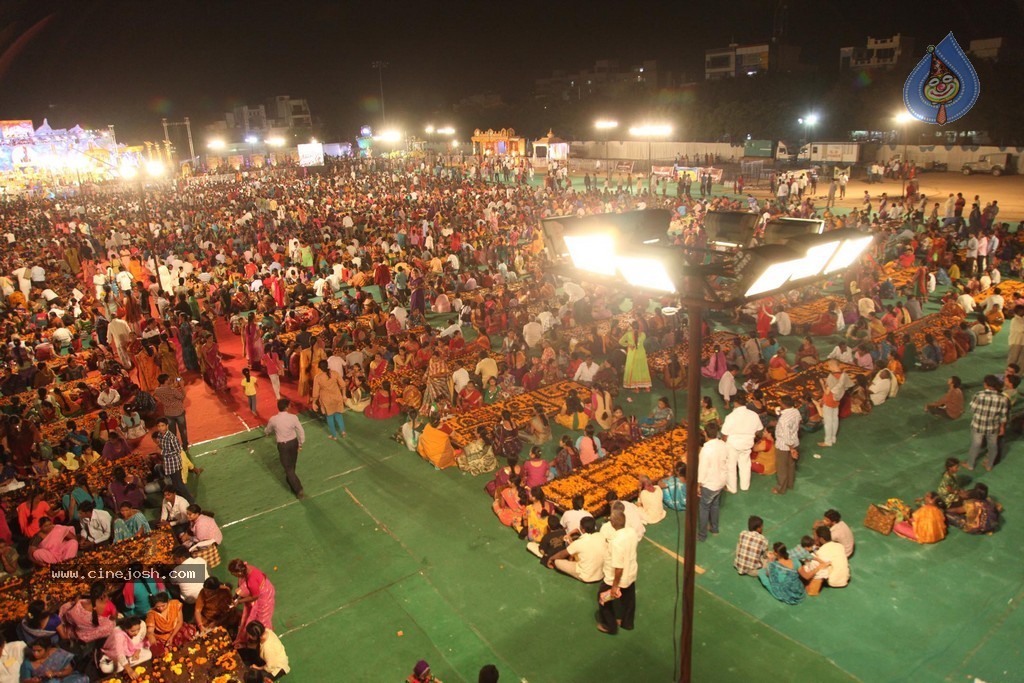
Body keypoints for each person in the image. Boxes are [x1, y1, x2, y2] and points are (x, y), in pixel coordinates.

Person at [596, 507, 639, 635]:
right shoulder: (632, 532)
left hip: (615, 577)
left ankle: (610, 626)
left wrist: (614, 586)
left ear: (613, 524)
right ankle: (627, 623)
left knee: (603, 598)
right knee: (629, 599)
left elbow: (618, 568)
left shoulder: (616, 542)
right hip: (631, 574)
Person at [229, 559, 277, 648]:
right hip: (258, 591)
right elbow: (241, 584)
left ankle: (263, 639)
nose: (233, 576)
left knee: (262, 618)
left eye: (233, 574)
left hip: (264, 596)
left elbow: (255, 596)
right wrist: (236, 597)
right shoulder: (245, 568)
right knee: (251, 614)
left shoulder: (251, 580)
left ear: (239, 573)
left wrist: (239, 601)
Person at [966, 374, 1009, 471]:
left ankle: (970, 465)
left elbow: (972, 409)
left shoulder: (979, 395)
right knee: (993, 446)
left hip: (978, 425)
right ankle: (989, 466)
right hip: (993, 427)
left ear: (985, 384)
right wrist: (1002, 428)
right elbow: (1003, 416)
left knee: (976, 445)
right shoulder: (1003, 398)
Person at [264, 399, 306, 499]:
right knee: (292, 465)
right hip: (293, 443)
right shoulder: (293, 417)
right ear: (287, 407)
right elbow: (301, 430)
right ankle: (292, 482)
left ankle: (298, 489)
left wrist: (266, 433)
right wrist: (300, 443)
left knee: (288, 468)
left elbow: (268, 429)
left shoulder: (273, 419)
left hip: (283, 446)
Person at [720, 400, 763, 493]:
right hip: (747, 444)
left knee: (731, 466)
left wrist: (723, 444)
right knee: (745, 465)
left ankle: (732, 488)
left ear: (735, 403)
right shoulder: (753, 415)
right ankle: (744, 486)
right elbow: (759, 430)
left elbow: (724, 434)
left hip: (732, 445)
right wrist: (750, 436)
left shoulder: (731, 416)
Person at [697, 423, 729, 541]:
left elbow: (702, 469)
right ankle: (714, 529)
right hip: (721, 481)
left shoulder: (706, 450)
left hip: (710, 484)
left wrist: (698, 484)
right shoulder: (723, 445)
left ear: (705, 433)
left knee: (704, 508)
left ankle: (702, 535)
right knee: (715, 505)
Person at [548, 516, 604, 583]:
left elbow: (562, 554)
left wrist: (551, 558)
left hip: (587, 576)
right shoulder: (601, 536)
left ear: (582, 529)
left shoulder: (579, 542)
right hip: (601, 574)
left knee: (557, 561)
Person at [153, 417, 195, 504]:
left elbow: (177, 450)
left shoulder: (172, 438)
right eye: (159, 426)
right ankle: (182, 499)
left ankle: (190, 501)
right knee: (175, 484)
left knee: (179, 484)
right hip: (168, 464)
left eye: (162, 425)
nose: (161, 428)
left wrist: (162, 452)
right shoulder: (160, 436)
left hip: (174, 463)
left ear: (167, 426)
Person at [800, 526, 850, 596]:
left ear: (821, 539)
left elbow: (818, 565)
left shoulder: (821, 552)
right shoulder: (839, 545)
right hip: (845, 578)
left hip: (833, 581)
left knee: (810, 565)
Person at [145, 592, 195, 657]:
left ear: (168, 601)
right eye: (157, 607)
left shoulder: (175, 604)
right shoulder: (152, 614)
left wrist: (172, 636)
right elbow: (150, 631)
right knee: (164, 650)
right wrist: (150, 636)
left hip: (176, 629)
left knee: (187, 633)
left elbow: (180, 621)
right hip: (163, 635)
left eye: (163, 605)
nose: (161, 608)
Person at [818, 360, 852, 448]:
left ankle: (828, 441)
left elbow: (827, 391)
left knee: (828, 422)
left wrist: (822, 384)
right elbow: (845, 386)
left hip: (829, 400)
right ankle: (833, 438)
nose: (828, 368)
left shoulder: (831, 376)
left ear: (832, 366)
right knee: (835, 419)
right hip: (837, 400)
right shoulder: (844, 375)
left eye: (829, 366)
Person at [18, 642, 86, 683]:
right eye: (33, 651)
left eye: (39, 651)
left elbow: (69, 670)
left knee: (82, 679)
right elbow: (25, 681)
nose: (35, 654)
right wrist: (33, 681)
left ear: (47, 649)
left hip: (64, 679)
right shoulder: (27, 663)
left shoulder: (57, 653)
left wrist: (55, 673)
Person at [312, 360, 347, 440]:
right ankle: (343, 432)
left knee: (330, 417)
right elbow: (343, 385)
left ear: (319, 368)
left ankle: (334, 436)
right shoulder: (335, 373)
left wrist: (314, 403)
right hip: (337, 397)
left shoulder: (318, 377)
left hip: (326, 399)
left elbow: (315, 392)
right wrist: (344, 395)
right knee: (338, 415)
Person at [153, 374, 189, 451]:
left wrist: (163, 401)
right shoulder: (172, 390)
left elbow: (155, 396)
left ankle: (174, 447)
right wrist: (182, 386)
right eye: (168, 379)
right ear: (166, 381)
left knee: (172, 433)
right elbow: (182, 397)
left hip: (168, 413)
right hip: (178, 412)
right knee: (183, 430)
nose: (170, 380)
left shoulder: (157, 390)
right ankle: (185, 446)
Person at [619, 321, 651, 392]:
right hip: (641, 354)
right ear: (639, 327)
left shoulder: (628, 334)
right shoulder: (643, 334)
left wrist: (629, 345)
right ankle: (647, 387)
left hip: (632, 355)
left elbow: (620, 341)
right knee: (643, 370)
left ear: (632, 327)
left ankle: (636, 388)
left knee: (634, 370)